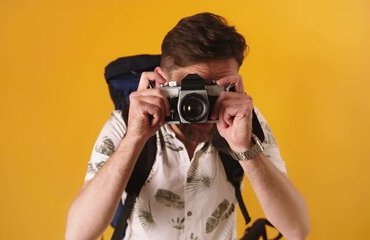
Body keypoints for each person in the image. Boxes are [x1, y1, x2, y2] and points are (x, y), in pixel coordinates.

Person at [65, 12, 310, 240]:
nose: (202, 105)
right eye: (191, 88)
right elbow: (77, 233)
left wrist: (245, 149)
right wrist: (134, 140)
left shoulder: (246, 124)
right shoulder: (125, 126)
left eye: (215, 90)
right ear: (161, 80)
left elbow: (297, 229)